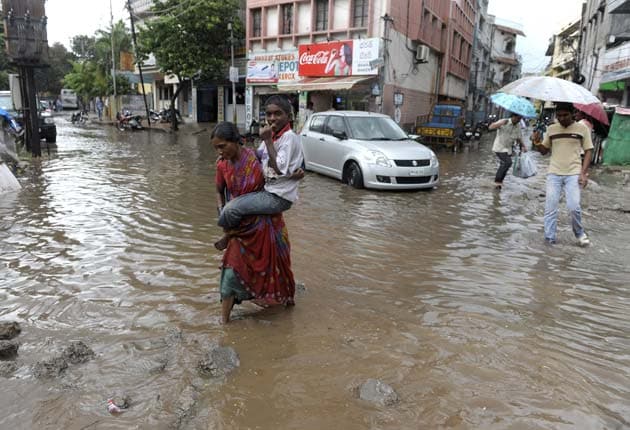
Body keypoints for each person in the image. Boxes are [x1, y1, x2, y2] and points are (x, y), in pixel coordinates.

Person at [212, 122, 297, 323]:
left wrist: (297, 173)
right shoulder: (222, 165)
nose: (220, 151)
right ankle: (224, 322)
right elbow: (218, 190)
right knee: (231, 271)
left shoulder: (258, 157)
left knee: (278, 268)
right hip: (240, 228)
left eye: (223, 146)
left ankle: (288, 308)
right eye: (216, 148)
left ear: (236, 141)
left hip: (267, 224)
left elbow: (282, 168)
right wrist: (222, 211)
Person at [215, 95, 304, 250]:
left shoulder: (288, 138)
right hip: (269, 191)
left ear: (289, 117)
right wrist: (229, 154)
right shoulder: (273, 136)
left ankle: (229, 234)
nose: (272, 118)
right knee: (232, 208)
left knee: (231, 209)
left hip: (277, 196)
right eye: (268, 114)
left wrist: (268, 140)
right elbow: (257, 155)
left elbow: (279, 168)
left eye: (277, 114)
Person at [532, 102, 593, 247]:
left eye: (565, 115)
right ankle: (549, 238)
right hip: (554, 173)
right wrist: (536, 141)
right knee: (550, 208)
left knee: (573, 207)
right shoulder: (551, 129)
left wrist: (583, 174)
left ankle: (579, 233)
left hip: (573, 173)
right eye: (559, 115)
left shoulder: (582, 128)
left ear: (573, 114)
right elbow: (544, 151)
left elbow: (589, 150)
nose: (562, 118)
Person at [488, 112, 526, 189]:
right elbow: (490, 127)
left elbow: (519, 137)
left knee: (506, 164)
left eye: (520, 119)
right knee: (508, 162)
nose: (519, 120)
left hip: (508, 149)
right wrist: (500, 124)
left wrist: (523, 146)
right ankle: (497, 181)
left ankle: (500, 182)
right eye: (518, 118)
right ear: (513, 117)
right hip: (499, 147)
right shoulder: (504, 121)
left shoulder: (518, 126)